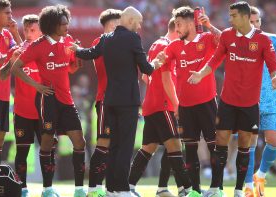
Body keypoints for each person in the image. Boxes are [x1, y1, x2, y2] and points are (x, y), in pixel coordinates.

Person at [188, 1, 276, 196]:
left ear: (246, 17)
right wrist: (200, 73)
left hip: (249, 103)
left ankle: (239, 189)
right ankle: (216, 187)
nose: (230, 19)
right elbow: (214, 60)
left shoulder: (263, 40)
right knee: (220, 141)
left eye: (233, 16)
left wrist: (275, 77)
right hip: (228, 101)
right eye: (229, 16)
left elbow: (273, 66)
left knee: (245, 144)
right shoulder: (228, 36)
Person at [72, 6, 164, 196]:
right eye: (138, 22)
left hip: (110, 99)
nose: (139, 26)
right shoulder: (133, 38)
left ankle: (112, 188)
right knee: (125, 145)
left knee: (113, 147)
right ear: (130, 21)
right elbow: (146, 68)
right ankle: (122, 189)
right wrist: (157, 62)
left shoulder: (106, 39)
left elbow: (89, 53)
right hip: (128, 101)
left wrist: (76, 49)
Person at [11, 5, 86, 197]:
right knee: (46, 143)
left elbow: (70, 68)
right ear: (52, 25)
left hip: (67, 101)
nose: (67, 26)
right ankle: (47, 189)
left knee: (79, 141)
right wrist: (36, 86)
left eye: (67, 22)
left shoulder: (68, 41)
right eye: (63, 23)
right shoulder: (38, 47)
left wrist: (77, 61)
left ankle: (79, 189)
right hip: (48, 100)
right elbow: (16, 68)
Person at [161, 6, 222, 197]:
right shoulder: (173, 47)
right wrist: (157, 60)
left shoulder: (206, 39)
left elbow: (225, 41)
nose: (176, 28)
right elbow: (161, 66)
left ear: (190, 23)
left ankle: (216, 188)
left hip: (207, 103)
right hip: (185, 107)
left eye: (179, 24)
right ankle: (195, 190)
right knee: (191, 150)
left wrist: (209, 25)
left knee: (214, 147)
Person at [127, 18, 192, 197]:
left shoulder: (155, 44)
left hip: (151, 104)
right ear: (176, 30)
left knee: (148, 148)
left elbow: (145, 78)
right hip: (164, 105)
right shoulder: (167, 47)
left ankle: (132, 186)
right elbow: (166, 79)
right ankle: (186, 189)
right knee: (175, 146)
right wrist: (177, 104)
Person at [0, 14, 56, 197]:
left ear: (41, 31)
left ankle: (48, 189)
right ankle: (22, 189)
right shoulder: (17, 50)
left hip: (44, 111)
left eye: (33, 30)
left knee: (47, 151)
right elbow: (2, 75)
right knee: (22, 152)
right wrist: (11, 60)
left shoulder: (48, 50)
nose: (29, 34)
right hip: (23, 112)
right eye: (27, 30)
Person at [243, 6, 276, 197]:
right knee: (249, 144)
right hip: (250, 100)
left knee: (274, 140)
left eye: (258, 21)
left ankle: (261, 175)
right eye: (251, 21)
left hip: (272, 99)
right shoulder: (239, 42)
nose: (256, 25)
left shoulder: (273, 39)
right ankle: (248, 186)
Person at [87, 8, 121, 197]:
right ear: (108, 25)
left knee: (116, 146)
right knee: (104, 143)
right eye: (116, 24)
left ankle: (111, 188)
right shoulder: (99, 42)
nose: (119, 27)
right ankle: (93, 188)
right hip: (105, 99)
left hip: (121, 101)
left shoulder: (120, 41)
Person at [0, 0, 21, 165]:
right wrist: (0, 59)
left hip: (4, 93)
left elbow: (23, 54)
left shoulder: (7, 35)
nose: (10, 16)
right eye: (7, 13)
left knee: (0, 136)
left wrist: (15, 33)